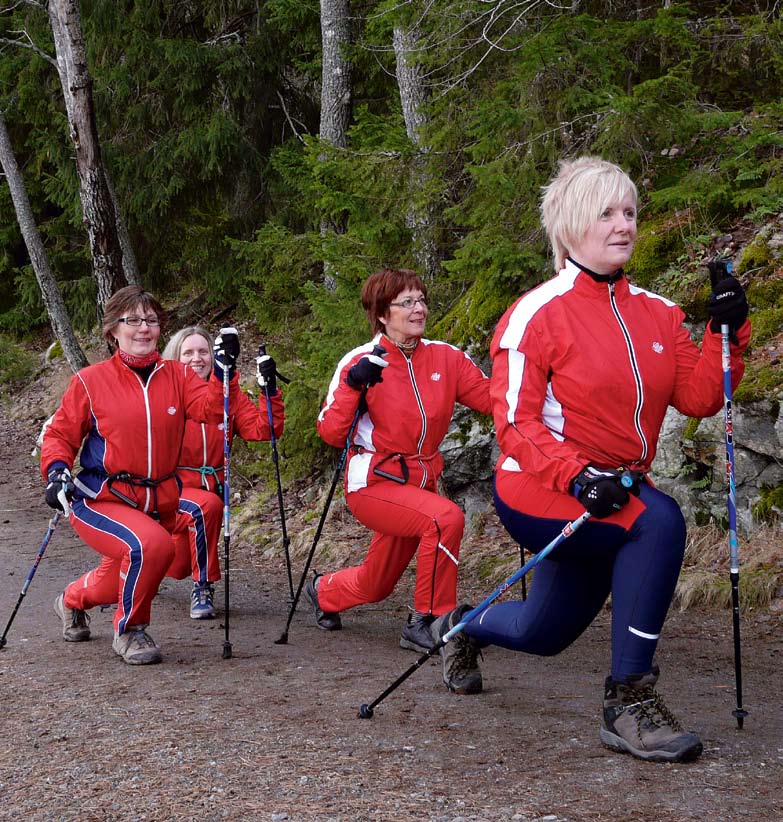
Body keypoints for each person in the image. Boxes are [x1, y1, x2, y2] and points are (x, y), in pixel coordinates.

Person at [432, 156, 751, 762]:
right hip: (541, 488)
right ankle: (628, 701)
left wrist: (724, 330)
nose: (623, 224)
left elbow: (702, 397)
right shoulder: (536, 313)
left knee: (542, 632)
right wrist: (578, 476)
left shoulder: (657, 312)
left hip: (613, 490)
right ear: (571, 223)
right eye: (606, 212)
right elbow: (515, 425)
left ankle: (462, 626)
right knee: (658, 521)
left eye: (629, 211)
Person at [308, 267, 492, 692]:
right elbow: (331, 433)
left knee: (377, 583)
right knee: (445, 519)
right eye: (406, 302)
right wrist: (355, 387)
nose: (419, 308)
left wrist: (534, 374)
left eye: (422, 299)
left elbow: (491, 398)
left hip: (419, 486)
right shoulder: (361, 362)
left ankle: (325, 592)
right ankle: (429, 621)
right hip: (373, 484)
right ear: (381, 314)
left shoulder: (445, 357)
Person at [41, 286, 240, 665]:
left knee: (113, 578)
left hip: (158, 501)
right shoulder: (90, 380)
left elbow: (212, 410)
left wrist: (224, 371)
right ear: (113, 330)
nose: (143, 328)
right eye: (132, 320)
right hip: (101, 498)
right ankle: (129, 630)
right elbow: (60, 434)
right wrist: (56, 472)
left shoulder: (179, 376)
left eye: (151, 320)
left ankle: (70, 600)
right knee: (152, 547)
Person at [161, 326, 284, 618]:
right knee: (203, 511)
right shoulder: (167, 394)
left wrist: (270, 392)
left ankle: (177, 571)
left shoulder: (231, 394)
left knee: (177, 564)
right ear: (176, 357)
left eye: (204, 351)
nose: (197, 358)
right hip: (171, 492)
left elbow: (264, 430)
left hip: (210, 493)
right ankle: (202, 585)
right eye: (188, 352)